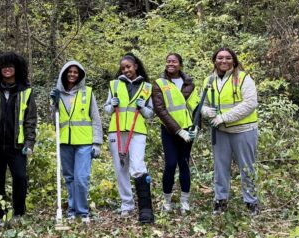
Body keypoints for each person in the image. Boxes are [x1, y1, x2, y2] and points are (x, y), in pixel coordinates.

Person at [0, 52, 37, 224]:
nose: (7, 69)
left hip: (16, 145)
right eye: (4, 66)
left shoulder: (26, 91)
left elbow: (30, 119)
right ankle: (0, 213)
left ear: (17, 69)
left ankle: (19, 213)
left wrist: (29, 142)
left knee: (20, 177)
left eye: (10, 66)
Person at [201, 47, 260, 216]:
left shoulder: (243, 78)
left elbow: (250, 104)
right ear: (214, 60)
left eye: (227, 58)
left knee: (247, 167)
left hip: (244, 130)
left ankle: (251, 202)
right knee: (220, 167)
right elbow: (202, 103)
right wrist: (207, 112)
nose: (223, 61)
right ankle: (220, 200)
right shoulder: (209, 80)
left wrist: (224, 117)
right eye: (220, 58)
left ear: (233, 60)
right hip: (220, 132)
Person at [103, 53, 155, 224]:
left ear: (136, 66)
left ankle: (145, 209)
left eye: (129, 67)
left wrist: (142, 108)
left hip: (137, 132)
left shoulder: (147, 87)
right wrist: (112, 105)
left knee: (138, 166)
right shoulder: (115, 84)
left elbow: (150, 114)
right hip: (116, 131)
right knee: (120, 168)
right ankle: (127, 205)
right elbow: (107, 109)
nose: (126, 70)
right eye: (123, 68)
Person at [49, 61, 103, 223]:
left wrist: (97, 143)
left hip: (84, 142)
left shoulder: (87, 92)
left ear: (80, 75)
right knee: (70, 178)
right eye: (69, 72)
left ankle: (82, 211)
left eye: (75, 72)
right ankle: (72, 210)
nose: (72, 74)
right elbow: (54, 121)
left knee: (81, 178)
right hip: (65, 141)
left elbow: (95, 118)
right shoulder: (57, 93)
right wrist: (54, 104)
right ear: (64, 74)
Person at [151, 53, 199, 214]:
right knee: (171, 164)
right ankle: (167, 201)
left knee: (184, 164)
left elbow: (195, 106)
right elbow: (160, 109)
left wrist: (196, 126)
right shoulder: (159, 83)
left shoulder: (189, 84)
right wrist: (178, 130)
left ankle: (185, 201)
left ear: (180, 64)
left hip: (188, 130)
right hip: (170, 131)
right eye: (168, 61)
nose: (170, 64)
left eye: (174, 61)